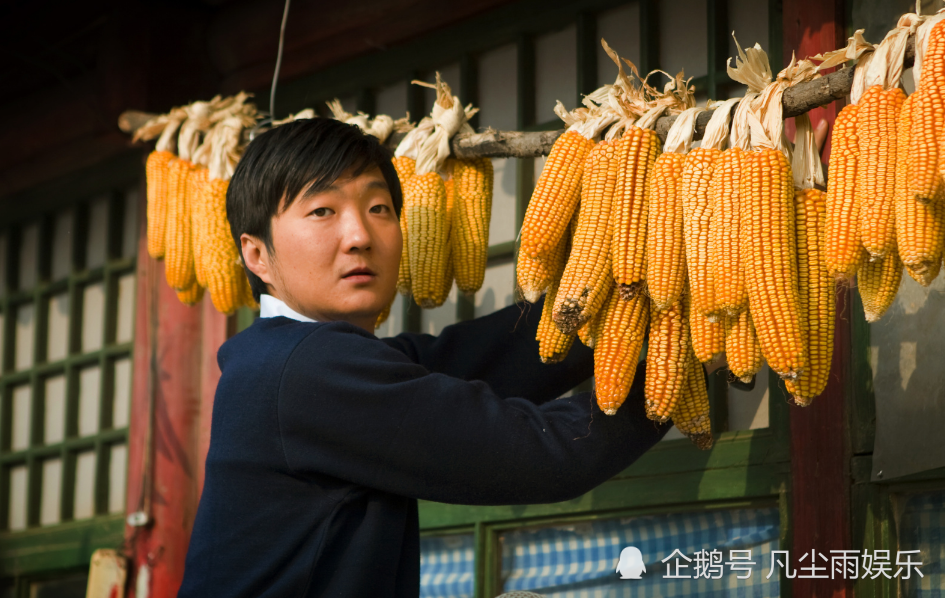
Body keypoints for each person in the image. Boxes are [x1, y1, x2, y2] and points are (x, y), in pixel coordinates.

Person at [177, 117, 673, 598]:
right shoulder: (306, 372)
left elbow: (484, 360)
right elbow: (546, 455)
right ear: (256, 255)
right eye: (323, 211)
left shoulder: (288, 358)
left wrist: (628, 291)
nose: (360, 236)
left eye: (379, 208)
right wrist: (677, 368)